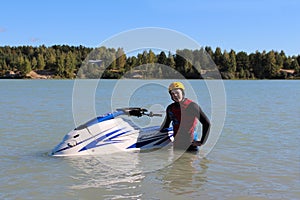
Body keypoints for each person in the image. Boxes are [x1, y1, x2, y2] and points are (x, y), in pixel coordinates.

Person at [160, 82, 211, 151]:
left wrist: (202, 141)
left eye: (177, 93)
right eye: (172, 93)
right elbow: (166, 125)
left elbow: (206, 123)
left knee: (189, 160)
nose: (175, 95)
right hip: (177, 146)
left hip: (191, 145)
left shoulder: (192, 106)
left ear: (182, 93)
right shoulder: (170, 108)